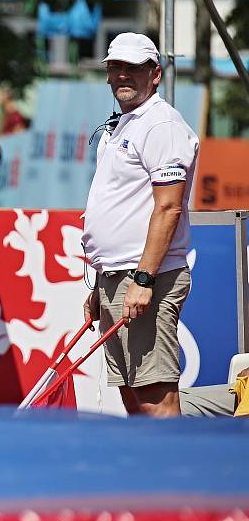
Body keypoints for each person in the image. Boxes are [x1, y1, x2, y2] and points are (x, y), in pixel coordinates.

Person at [81, 32, 199, 417]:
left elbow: (168, 208)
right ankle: (152, 475)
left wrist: (144, 279)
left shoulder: (161, 124)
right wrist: (102, 286)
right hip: (120, 278)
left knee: (155, 399)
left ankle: (176, 477)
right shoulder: (127, 124)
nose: (122, 76)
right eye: (116, 67)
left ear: (156, 74)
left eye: (132, 68)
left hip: (146, 277)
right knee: (133, 398)